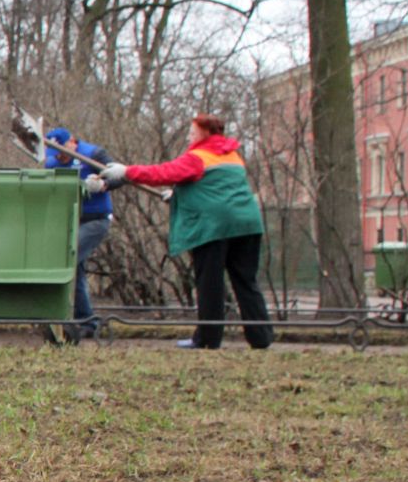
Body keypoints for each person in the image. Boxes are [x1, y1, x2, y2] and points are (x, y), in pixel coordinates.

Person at [101, 113, 274, 350]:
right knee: (246, 281)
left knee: (210, 283)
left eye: (192, 133)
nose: (189, 137)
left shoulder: (197, 157)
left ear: (204, 134)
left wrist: (126, 171)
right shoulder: (233, 155)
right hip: (247, 224)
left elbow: (162, 173)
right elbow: (215, 187)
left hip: (215, 227)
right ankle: (261, 337)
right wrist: (180, 194)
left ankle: (207, 339)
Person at [42, 127, 115, 342]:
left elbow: (119, 176)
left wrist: (103, 184)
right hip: (70, 221)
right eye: (57, 154)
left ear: (72, 142)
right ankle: (86, 322)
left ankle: (64, 319)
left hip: (95, 220)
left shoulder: (93, 154)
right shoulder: (51, 160)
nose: (61, 157)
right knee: (77, 270)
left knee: (67, 260)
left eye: (64, 152)